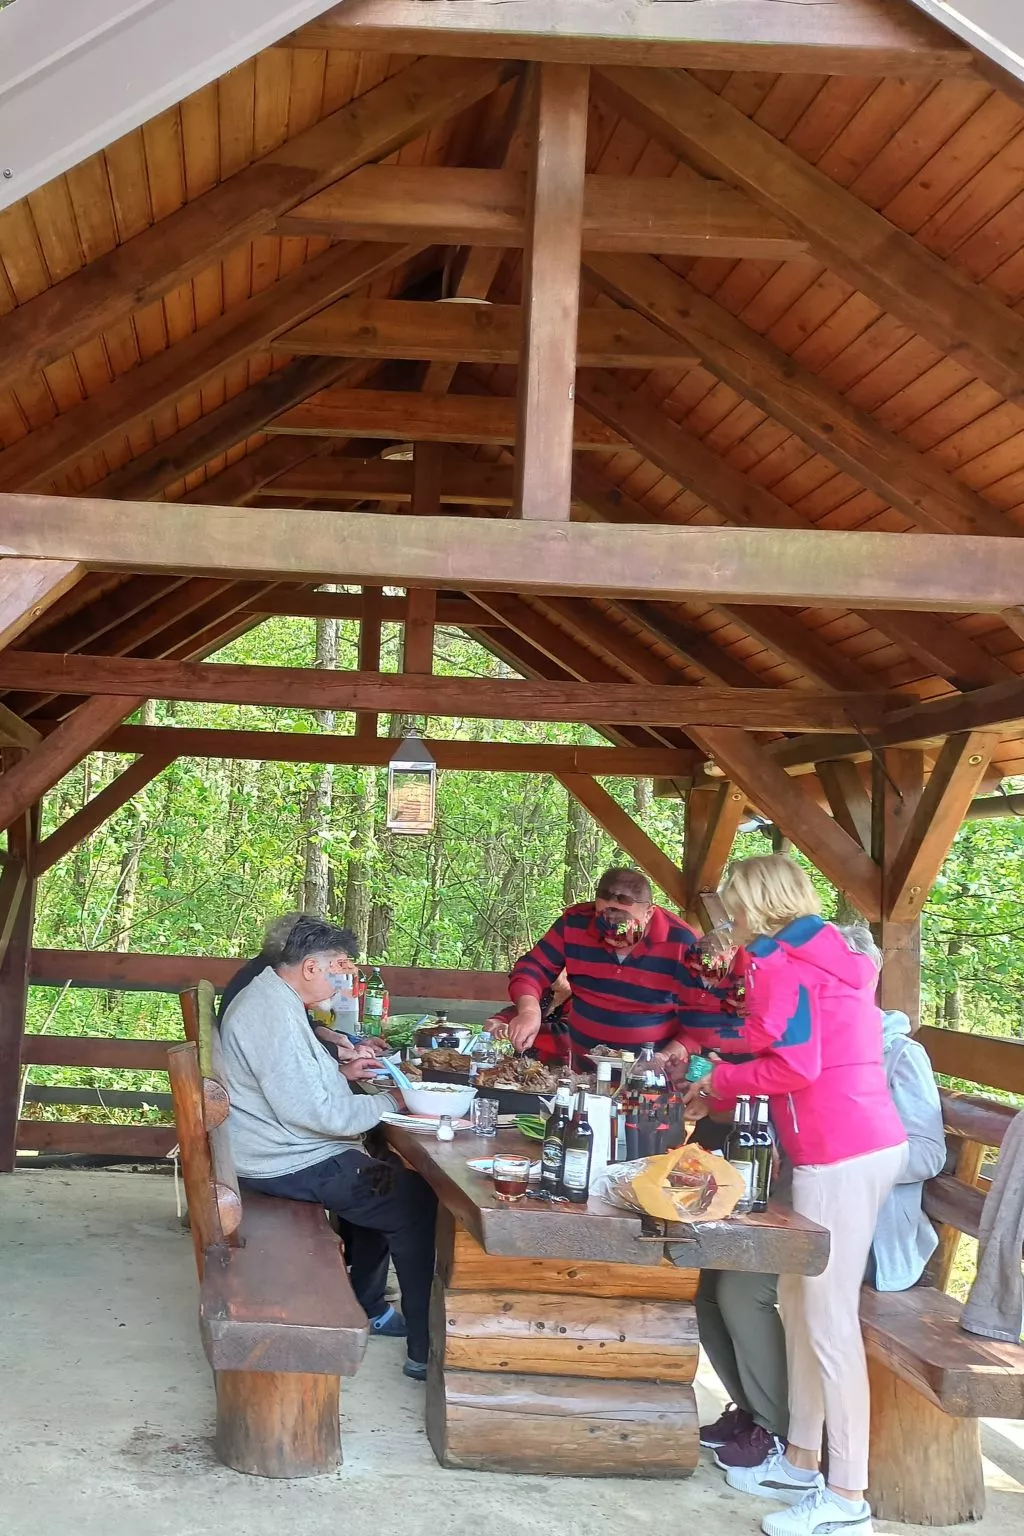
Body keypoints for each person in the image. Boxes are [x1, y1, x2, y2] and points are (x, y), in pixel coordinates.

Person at [680, 856, 908, 1536]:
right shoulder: (824, 953)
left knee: (830, 1321)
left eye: (734, 905)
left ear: (755, 903)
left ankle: (847, 1498)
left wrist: (718, 1083)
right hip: (850, 1142)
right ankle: (803, 1460)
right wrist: (720, 1059)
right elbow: (777, 1036)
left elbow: (796, 1064)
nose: (730, 920)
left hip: (840, 1150)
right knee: (802, 1304)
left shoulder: (778, 960)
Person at [218, 915, 437, 1380]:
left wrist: (344, 1077)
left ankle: (368, 1302)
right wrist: (392, 1102)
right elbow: (314, 1113)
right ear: (311, 967)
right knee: (417, 1203)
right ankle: (425, 1351)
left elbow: (296, 1084)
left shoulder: (276, 997)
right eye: (339, 968)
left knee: (384, 1176)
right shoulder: (269, 1013)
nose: (344, 981)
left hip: (281, 1147)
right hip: (281, 1160)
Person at [494, 867, 735, 1068]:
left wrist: (666, 1056)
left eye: (625, 923)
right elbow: (533, 968)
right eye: (603, 917)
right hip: (582, 1064)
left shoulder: (684, 943)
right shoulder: (575, 922)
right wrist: (529, 1012)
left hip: (651, 1072)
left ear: (649, 913)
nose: (611, 931)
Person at [838, 926, 947, 1292]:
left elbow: (928, 1154)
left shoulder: (901, 1054)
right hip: (813, 1211)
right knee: (722, 1280)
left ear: (867, 982)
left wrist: (859, 1159)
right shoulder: (814, 1048)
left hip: (875, 1238)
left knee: (746, 1285)